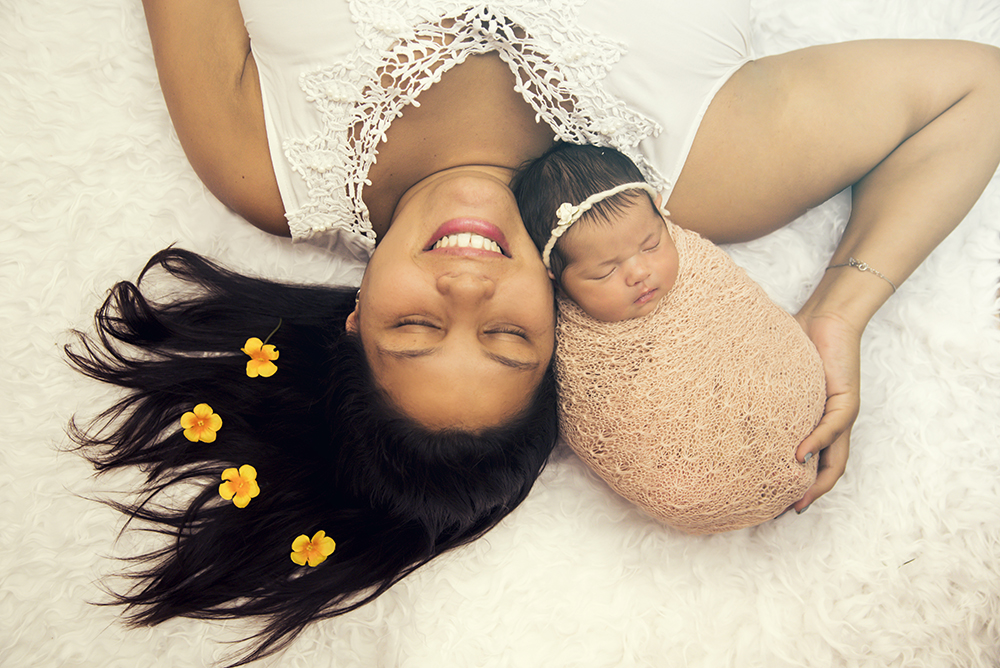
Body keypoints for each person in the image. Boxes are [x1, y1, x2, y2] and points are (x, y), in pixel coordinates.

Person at [71, 0, 1000, 663]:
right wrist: (836, 316)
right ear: (559, 333)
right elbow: (979, 91)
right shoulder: (694, 177)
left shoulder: (260, 162)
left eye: (417, 325)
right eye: (506, 337)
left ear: (352, 320)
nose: (467, 283)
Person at [512, 142, 827, 533]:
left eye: (651, 245)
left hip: (771, 393)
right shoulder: (582, 352)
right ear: (557, 280)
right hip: (696, 460)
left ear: (662, 216)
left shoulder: (696, 264)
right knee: (683, 480)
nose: (639, 272)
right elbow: (605, 420)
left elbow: (745, 317)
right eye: (604, 272)